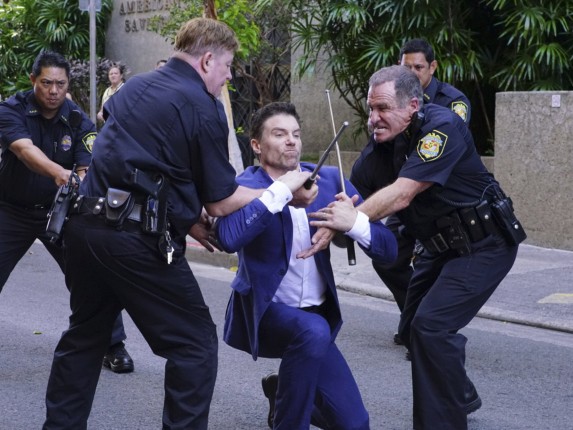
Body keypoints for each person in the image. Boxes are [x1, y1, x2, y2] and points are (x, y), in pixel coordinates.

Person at [42, 19, 316, 430]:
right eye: (227, 67)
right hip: (132, 240)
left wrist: (185, 218)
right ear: (207, 60)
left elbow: (144, 163)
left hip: (85, 227)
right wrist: (284, 191)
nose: (228, 77)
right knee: (194, 345)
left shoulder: (135, 87)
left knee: (84, 337)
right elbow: (221, 200)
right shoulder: (202, 105)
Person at [309, 65, 524, 430]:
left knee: (431, 328)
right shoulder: (377, 152)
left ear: (412, 105)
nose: (373, 118)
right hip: (439, 248)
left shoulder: (441, 128)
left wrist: (352, 217)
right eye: (371, 108)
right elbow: (350, 207)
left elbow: (402, 193)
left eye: (383, 108)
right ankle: (460, 394)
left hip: (484, 243)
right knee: (412, 329)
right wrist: (320, 206)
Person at [215, 102, 397, 430]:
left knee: (355, 424)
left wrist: (354, 223)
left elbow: (390, 250)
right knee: (312, 330)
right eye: (279, 134)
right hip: (267, 313)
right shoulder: (244, 185)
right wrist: (280, 193)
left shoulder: (328, 179)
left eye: (296, 134)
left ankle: (283, 392)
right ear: (256, 145)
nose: (291, 141)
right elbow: (228, 238)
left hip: (315, 320)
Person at [0, 50, 134, 375]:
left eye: (60, 84)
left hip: (59, 211)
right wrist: (59, 172)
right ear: (33, 80)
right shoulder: (11, 109)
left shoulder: (79, 121)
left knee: (93, 274)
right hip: (11, 210)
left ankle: (112, 345)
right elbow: (24, 150)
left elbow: (87, 168)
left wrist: (82, 184)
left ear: (68, 84)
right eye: (46, 83)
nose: (53, 91)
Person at [358, 38, 473, 346]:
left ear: (432, 67)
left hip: (436, 196)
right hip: (404, 198)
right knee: (387, 258)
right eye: (405, 67)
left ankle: (426, 326)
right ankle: (414, 317)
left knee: (429, 262)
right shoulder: (387, 105)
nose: (411, 72)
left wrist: (351, 218)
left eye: (418, 67)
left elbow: (440, 152)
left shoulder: (451, 104)